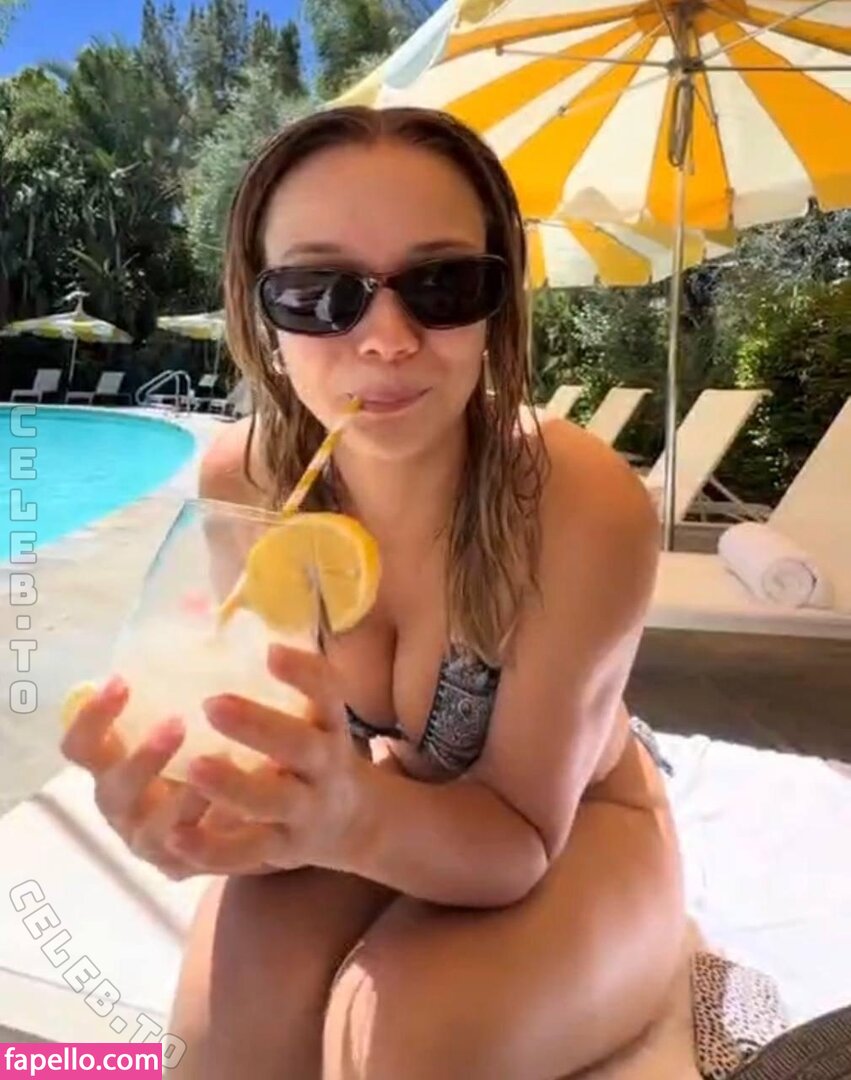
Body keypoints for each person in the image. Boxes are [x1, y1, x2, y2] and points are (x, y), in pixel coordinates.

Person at [60, 106, 685, 1079]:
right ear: (261, 313)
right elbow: (261, 744)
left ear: (496, 303)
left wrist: (348, 818)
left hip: (573, 826)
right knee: (224, 1052)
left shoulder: (577, 503)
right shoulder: (244, 485)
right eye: (319, 293)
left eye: (442, 285)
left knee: (404, 1046)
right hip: (372, 798)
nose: (387, 339)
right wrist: (195, 814)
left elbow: (518, 836)